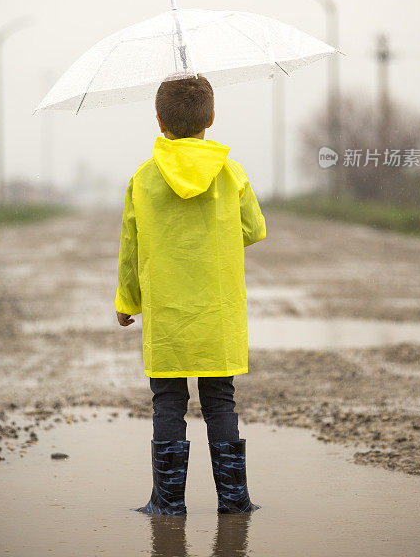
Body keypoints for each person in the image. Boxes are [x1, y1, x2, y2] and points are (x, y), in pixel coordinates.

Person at [115, 74, 266, 516]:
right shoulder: (231, 171)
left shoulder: (143, 179)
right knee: (221, 398)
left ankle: (168, 502)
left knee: (168, 400)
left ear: (159, 121)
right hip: (217, 313)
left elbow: (131, 248)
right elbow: (255, 229)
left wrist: (127, 302)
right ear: (212, 118)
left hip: (168, 314)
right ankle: (234, 500)